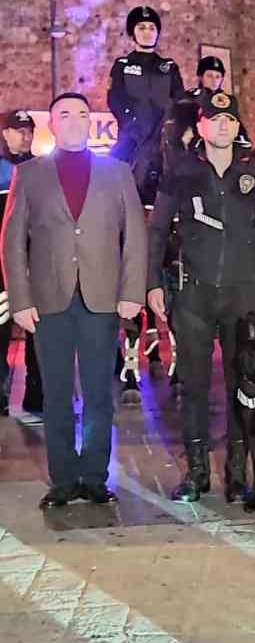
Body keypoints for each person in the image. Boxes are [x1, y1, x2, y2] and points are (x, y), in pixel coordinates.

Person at [0, 93, 147, 508]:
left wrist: (132, 293)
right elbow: (12, 241)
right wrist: (20, 299)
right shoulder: (29, 175)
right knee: (57, 395)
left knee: (100, 394)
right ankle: (64, 479)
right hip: (49, 301)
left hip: (103, 299)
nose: (75, 120)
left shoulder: (117, 173)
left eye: (82, 114)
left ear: (90, 123)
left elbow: (134, 236)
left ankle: (95, 478)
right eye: (65, 113)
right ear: (53, 124)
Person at [147, 90, 255, 501]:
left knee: (242, 386)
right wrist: (152, 282)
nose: (223, 125)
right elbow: (156, 231)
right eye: (214, 119)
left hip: (242, 297)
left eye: (230, 119)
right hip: (194, 297)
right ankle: (196, 473)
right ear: (201, 126)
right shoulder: (181, 171)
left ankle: (237, 472)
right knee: (193, 386)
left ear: (238, 126)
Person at [108, 5, 184, 389]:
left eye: (151, 28)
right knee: (111, 169)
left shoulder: (169, 67)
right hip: (134, 138)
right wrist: (134, 128)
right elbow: (115, 100)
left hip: (164, 140)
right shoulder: (124, 65)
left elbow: (182, 103)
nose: (146, 33)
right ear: (132, 33)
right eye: (140, 28)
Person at [0, 110, 43, 417]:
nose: (26, 135)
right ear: (4, 133)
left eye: (29, 129)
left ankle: (37, 394)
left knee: (38, 333)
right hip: (0, 266)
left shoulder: (40, 168)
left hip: (36, 263)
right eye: (19, 130)